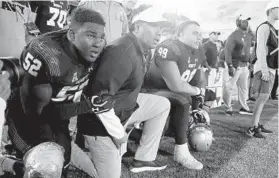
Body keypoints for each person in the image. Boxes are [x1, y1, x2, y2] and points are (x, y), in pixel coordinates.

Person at [6, 8, 105, 177]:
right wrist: (86, 106)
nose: (98, 43)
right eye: (91, 35)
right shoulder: (47, 55)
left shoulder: (93, 49)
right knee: (47, 165)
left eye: (101, 37)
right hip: (28, 120)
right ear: (72, 35)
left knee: (63, 161)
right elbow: (37, 114)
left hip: (60, 116)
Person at [77, 7, 171, 178]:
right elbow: (98, 99)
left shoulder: (143, 50)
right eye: (154, 26)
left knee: (162, 104)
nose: (159, 33)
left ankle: (144, 159)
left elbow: (129, 86)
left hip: (120, 109)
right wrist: (120, 134)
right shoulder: (121, 51)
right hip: (98, 123)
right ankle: (74, 152)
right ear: (137, 27)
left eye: (161, 28)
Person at [145, 20, 215, 170]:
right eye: (194, 33)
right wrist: (196, 91)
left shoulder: (199, 49)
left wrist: (199, 102)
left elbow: (199, 75)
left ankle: (189, 124)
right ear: (180, 34)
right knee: (183, 101)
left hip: (175, 93)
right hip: (151, 91)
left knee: (209, 95)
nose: (199, 37)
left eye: (200, 34)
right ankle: (181, 152)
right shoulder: (169, 47)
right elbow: (175, 85)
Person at [246, 0, 278, 138]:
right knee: (263, 97)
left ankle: (256, 124)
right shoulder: (264, 27)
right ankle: (252, 127)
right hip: (265, 68)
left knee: (264, 98)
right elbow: (260, 50)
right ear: (271, 10)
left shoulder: (273, 29)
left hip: (271, 68)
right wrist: (264, 70)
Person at [223, 15, 253, 116]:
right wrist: (230, 65)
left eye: (247, 21)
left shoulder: (248, 35)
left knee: (244, 88)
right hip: (236, 65)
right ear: (239, 23)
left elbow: (253, 44)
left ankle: (244, 107)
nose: (247, 23)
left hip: (245, 65)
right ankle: (228, 108)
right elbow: (227, 51)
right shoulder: (233, 35)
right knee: (229, 87)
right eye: (245, 21)